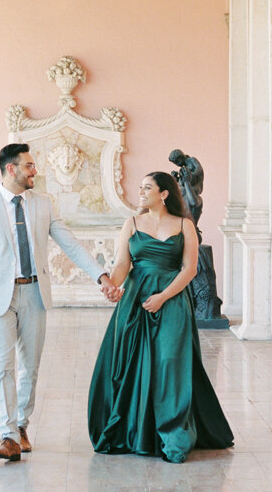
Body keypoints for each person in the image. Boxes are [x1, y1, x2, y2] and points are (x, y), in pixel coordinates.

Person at [0, 143, 117, 461]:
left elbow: (71, 246)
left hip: (35, 294)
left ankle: (21, 425)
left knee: (29, 368)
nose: (35, 171)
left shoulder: (43, 205)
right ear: (12, 169)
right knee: (2, 367)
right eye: (29, 166)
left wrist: (101, 276)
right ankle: (7, 435)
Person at [87, 170, 234, 463]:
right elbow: (121, 266)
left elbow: (189, 269)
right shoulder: (131, 224)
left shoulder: (184, 225)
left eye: (147, 188)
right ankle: (135, 431)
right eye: (140, 187)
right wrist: (112, 286)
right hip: (136, 300)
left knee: (170, 362)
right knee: (132, 364)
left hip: (172, 300)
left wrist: (164, 297)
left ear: (164, 193)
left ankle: (173, 432)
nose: (141, 192)